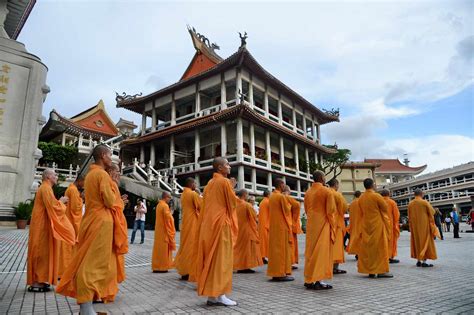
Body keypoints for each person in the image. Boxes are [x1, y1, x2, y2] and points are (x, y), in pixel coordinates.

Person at [57, 145, 127, 315]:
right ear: (103, 156)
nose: (112, 157)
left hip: (92, 220)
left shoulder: (91, 174)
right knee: (94, 264)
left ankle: (86, 306)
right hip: (101, 222)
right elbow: (110, 201)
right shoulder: (101, 174)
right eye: (110, 154)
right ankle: (86, 307)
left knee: (89, 261)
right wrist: (121, 202)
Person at [194, 157, 238, 306]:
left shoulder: (209, 184)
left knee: (212, 260)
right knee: (222, 260)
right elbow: (232, 204)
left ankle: (212, 296)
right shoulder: (224, 182)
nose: (229, 166)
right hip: (221, 224)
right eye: (227, 164)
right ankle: (220, 294)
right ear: (220, 168)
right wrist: (232, 187)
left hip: (209, 225)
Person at [27, 169, 75, 292]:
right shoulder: (45, 188)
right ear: (48, 177)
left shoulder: (46, 188)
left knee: (44, 252)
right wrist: (62, 202)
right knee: (41, 252)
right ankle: (37, 281)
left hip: (43, 225)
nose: (56, 176)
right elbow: (53, 207)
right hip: (41, 227)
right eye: (54, 174)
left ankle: (41, 280)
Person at [303, 170, 336, 290]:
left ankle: (309, 279)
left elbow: (306, 209)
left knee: (311, 253)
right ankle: (318, 280)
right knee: (321, 252)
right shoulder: (326, 191)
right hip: (323, 224)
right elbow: (331, 211)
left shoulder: (308, 192)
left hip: (312, 224)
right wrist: (332, 225)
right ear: (322, 178)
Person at [357, 178, 393, 278]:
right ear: (372, 185)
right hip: (377, 224)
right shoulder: (376, 196)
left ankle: (371, 270)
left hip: (366, 225)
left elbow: (360, 211)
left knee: (369, 248)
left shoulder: (361, 198)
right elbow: (385, 208)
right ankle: (381, 271)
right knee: (380, 248)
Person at [174, 177, 201, 280]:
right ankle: (188, 270)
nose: (196, 186)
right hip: (192, 222)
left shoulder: (184, 194)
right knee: (191, 246)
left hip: (186, 222)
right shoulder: (193, 194)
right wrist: (199, 194)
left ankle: (184, 270)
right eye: (195, 183)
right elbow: (201, 206)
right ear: (192, 184)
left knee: (185, 246)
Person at [106, 163, 129, 283]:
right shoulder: (110, 183)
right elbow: (112, 205)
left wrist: (120, 202)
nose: (119, 175)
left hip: (110, 222)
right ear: (111, 172)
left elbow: (115, 204)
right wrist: (120, 203)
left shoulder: (111, 184)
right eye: (118, 172)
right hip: (109, 223)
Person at [267, 178, 294, 282]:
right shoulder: (281, 196)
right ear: (281, 184)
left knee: (275, 250)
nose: (284, 186)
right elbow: (287, 210)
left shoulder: (272, 196)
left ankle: (275, 272)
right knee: (281, 250)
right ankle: (280, 274)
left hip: (274, 226)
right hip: (282, 227)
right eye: (284, 184)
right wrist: (288, 200)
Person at [58, 175, 84, 279]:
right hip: (71, 224)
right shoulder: (73, 190)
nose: (85, 184)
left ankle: (63, 271)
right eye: (84, 182)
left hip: (68, 222)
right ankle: (66, 272)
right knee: (68, 249)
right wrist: (81, 200)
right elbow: (75, 209)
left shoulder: (71, 189)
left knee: (66, 249)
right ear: (79, 180)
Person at [233, 189, 263, 273]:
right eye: (247, 194)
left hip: (237, 228)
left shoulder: (234, 204)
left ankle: (239, 265)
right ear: (244, 195)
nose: (247, 196)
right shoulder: (246, 205)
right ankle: (244, 266)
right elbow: (253, 217)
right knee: (247, 249)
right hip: (246, 229)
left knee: (238, 248)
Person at [408, 189, 439, 267]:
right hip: (424, 225)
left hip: (415, 226)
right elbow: (432, 212)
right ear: (421, 194)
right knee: (425, 241)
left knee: (417, 241)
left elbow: (409, 215)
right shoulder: (424, 202)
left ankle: (418, 260)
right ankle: (424, 261)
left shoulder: (410, 203)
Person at [327, 178, 348, 274]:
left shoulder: (325, 192)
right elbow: (344, 207)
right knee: (336, 246)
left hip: (326, 222)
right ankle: (334, 267)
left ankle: (327, 266)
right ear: (336, 185)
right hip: (337, 223)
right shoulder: (337, 194)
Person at [151, 191, 176, 273]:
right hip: (164, 231)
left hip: (159, 231)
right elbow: (168, 219)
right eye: (169, 197)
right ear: (166, 197)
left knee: (158, 249)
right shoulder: (165, 206)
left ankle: (156, 266)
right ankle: (162, 267)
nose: (170, 199)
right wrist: (171, 214)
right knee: (163, 250)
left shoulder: (159, 205)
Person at [283, 185, 303, 269]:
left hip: (281, 225)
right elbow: (297, 205)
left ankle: (286, 263)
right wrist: (295, 220)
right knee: (290, 245)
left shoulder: (276, 197)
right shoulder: (286, 198)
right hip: (289, 224)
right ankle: (289, 263)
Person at [381, 189, 400, 264]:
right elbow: (396, 215)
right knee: (390, 241)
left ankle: (383, 256)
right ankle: (389, 257)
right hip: (390, 225)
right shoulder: (391, 202)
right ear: (389, 194)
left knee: (382, 241)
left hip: (381, 224)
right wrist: (396, 222)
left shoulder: (379, 201)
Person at [346, 191, 362, 258]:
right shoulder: (361, 202)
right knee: (360, 239)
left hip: (353, 223)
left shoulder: (351, 204)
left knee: (354, 239)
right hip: (360, 223)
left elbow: (348, 210)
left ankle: (357, 253)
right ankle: (359, 253)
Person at [258, 190, 270, 264]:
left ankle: (262, 257)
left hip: (262, 223)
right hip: (266, 224)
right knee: (265, 242)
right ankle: (263, 257)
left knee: (263, 242)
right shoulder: (268, 202)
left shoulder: (262, 202)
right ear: (268, 195)